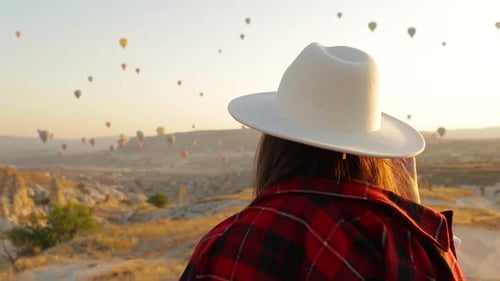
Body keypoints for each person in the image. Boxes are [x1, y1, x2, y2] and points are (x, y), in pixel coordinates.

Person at [180, 43, 465, 280]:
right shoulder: (397, 242)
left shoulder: (223, 244)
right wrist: (411, 213)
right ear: (373, 153)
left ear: (273, 141)